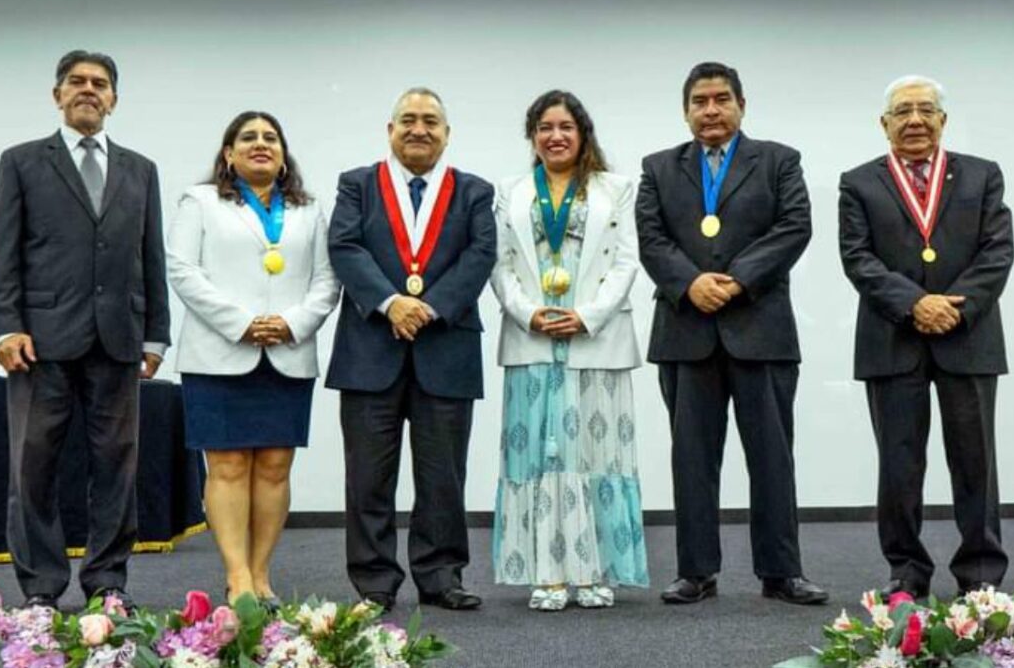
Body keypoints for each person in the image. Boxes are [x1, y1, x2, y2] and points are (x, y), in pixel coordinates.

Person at [0, 50, 170, 610]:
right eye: (77, 82)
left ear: (114, 98)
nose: (89, 90)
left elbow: (148, 256)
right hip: (39, 343)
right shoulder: (21, 162)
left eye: (101, 83)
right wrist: (3, 327)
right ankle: (40, 588)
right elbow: (2, 253)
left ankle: (108, 583)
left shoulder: (141, 169)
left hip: (118, 342)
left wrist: (154, 334)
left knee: (117, 469)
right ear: (57, 94)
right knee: (32, 469)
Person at [636, 61, 827, 605]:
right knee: (692, 458)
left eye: (721, 99)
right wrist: (691, 283)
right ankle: (696, 571)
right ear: (686, 110)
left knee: (772, 455)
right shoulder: (658, 167)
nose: (711, 110)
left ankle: (781, 571)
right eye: (700, 101)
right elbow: (651, 238)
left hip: (760, 327)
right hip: (684, 328)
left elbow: (794, 227)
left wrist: (737, 281)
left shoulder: (778, 161)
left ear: (742, 105)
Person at [839, 76, 1013, 599]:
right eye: (902, 111)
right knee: (898, 463)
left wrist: (952, 308)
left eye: (925, 110)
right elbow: (858, 258)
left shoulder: (983, 175)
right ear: (884, 123)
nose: (914, 120)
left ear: (943, 119)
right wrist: (915, 303)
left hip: (969, 335)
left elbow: (996, 252)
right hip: (892, 340)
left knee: (976, 462)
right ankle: (906, 573)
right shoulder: (858, 182)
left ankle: (981, 575)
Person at [325, 87, 495, 612]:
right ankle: (374, 582)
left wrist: (429, 306)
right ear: (390, 129)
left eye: (431, 121)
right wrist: (390, 303)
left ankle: (442, 575)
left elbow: (481, 253)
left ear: (447, 134)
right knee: (368, 477)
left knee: (443, 475)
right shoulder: (357, 185)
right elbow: (344, 246)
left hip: (446, 348)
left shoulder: (473, 191)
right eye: (408, 120)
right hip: (369, 350)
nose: (419, 129)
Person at [167, 111, 340, 607]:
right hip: (219, 353)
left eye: (271, 137)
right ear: (228, 153)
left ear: (284, 155)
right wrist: (241, 322)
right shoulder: (199, 201)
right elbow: (183, 270)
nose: (260, 144)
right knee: (225, 466)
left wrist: (293, 323)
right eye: (248, 137)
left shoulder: (310, 210)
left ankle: (262, 574)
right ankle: (237, 576)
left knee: (274, 467)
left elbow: (327, 280)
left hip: (287, 354)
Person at [489, 90, 648, 611]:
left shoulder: (616, 189)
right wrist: (527, 312)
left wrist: (589, 315)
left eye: (566, 127)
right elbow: (500, 263)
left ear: (583, 133)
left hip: (597, 339)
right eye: (544, 127)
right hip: (532, 338)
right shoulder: (510, 191)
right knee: (534, 457)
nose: (555, 136)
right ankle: (547, 573)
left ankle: (595, 572)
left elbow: (627, 261)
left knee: (599, 457)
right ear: (532, 136)